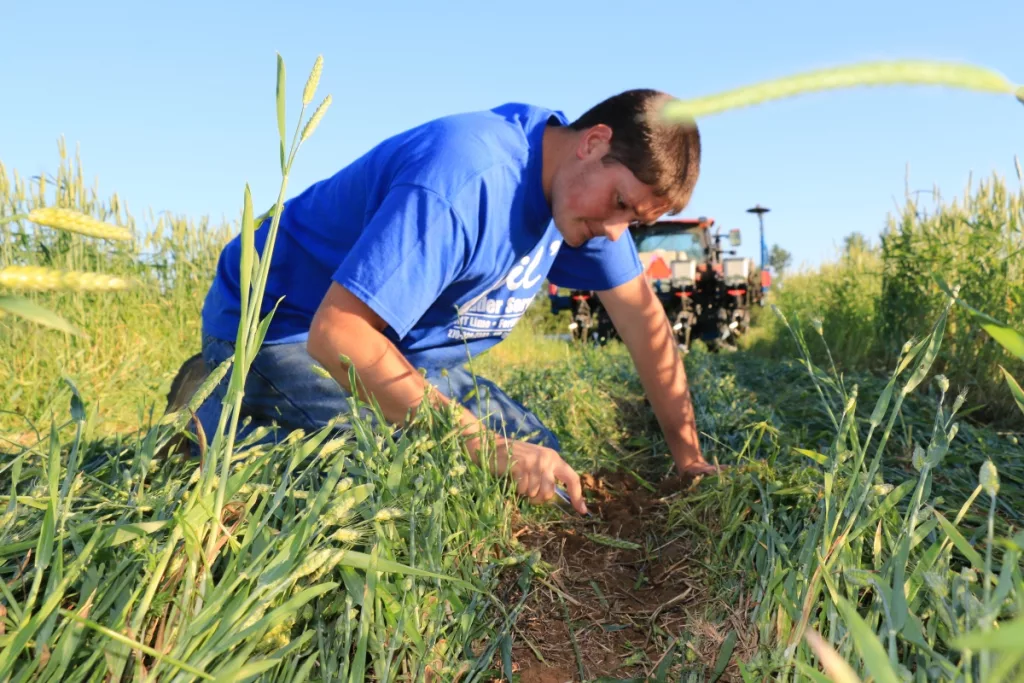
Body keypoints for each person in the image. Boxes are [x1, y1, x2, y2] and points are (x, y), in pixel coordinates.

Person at [190, 88, 716, 516]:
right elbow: (338, 335)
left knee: (541, 455)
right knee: (418, 469)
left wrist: (688, 459)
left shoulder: (587, 203)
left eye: (634, 221)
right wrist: (488, 448)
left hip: (392, 349)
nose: (613, 230)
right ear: (593, 142)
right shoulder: (467, 179)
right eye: (620, 203)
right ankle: (218, 417)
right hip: (282, 327)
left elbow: (647, 327)